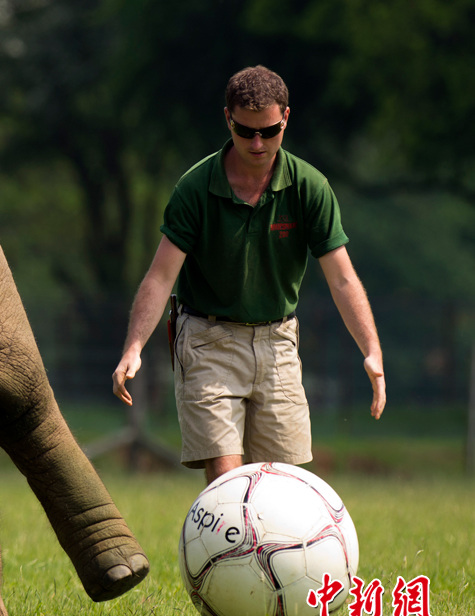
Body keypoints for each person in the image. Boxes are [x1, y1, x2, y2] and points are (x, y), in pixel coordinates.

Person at [112, 65, 386, 485]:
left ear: (286, 118)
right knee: (228, 481)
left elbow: (343, 279)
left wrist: (371, 350)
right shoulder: (195, 187)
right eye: (245, 131)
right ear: (228, 120)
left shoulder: (310, 187)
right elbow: (160, 276)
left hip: (278, 342)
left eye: (269, 131)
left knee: (280, 486)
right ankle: (227, 552)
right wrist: (134, 347)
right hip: (208, 340)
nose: (258, 143)